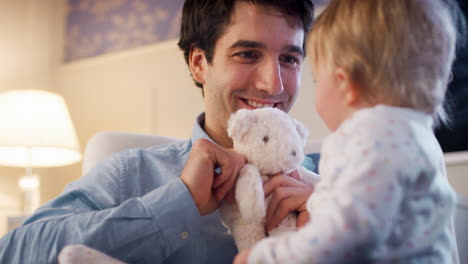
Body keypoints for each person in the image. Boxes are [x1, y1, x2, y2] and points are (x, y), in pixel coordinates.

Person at [0, 0, 316, 263]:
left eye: (289, 59)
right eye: (247, 54)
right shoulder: (130, 173)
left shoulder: (336, 179)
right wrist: (180, 203)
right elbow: (13, 251)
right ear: (198, 63)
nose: (273, 84)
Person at [235, 0, 461, 263]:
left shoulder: (373, 138)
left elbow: (345, 234)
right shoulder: (415, 137)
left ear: (345, 84)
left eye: (317, 80)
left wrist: (265, 257)